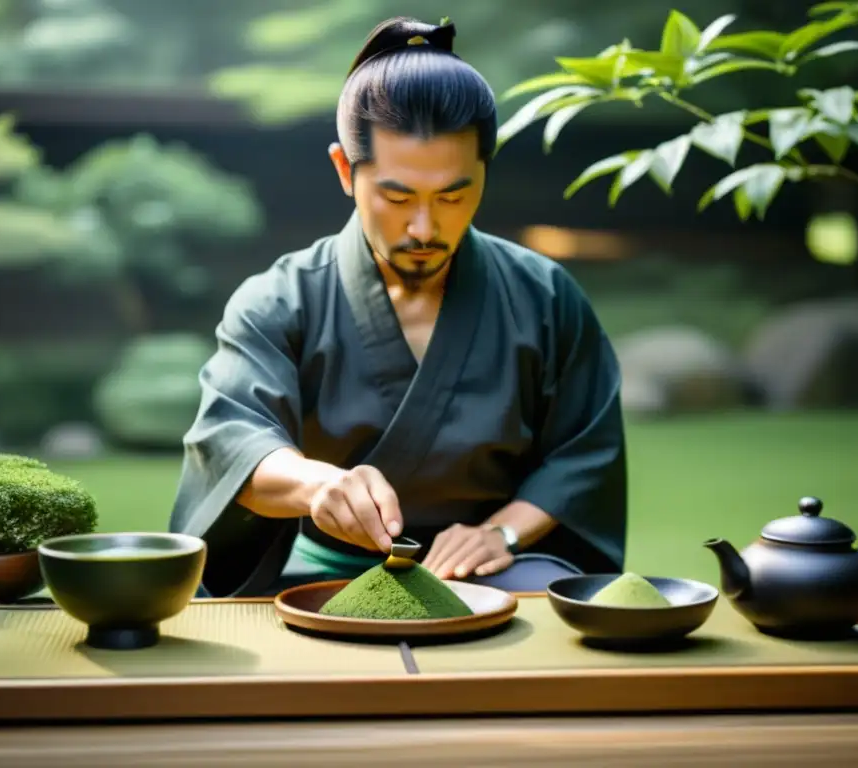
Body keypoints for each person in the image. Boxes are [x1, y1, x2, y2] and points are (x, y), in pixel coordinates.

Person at [169, 16, 628, 598]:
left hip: (494, 567)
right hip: (323, 570)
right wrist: (319, 487)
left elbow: (585, 453)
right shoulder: (280, 300)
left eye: (453, 195)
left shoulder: (544, 295)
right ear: (345, 170)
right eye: (397, 195)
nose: (424, 226)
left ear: (485, 172)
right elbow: (234, 443)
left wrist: (500, 534)